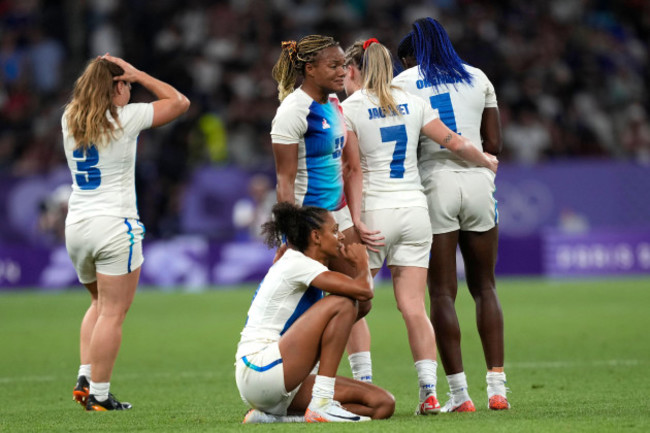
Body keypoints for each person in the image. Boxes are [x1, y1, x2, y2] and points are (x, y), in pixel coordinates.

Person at [341, 38, 498, 415]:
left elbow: (350, 168)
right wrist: (484, 160)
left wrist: (355, 219)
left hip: (374, 213)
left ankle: (362, 387)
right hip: (414, 212)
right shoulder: (413, 102)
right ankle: (429, 394)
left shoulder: (348, 108)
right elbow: (455, 142)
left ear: (351, 71)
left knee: (349, 303)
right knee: (413, 306)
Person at [393, 17, 509, 412]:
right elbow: (493, 142)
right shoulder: (478, 77)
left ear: (412, 53)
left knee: (442, 293)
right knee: (486, 288)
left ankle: (460, 396)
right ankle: (498, 388)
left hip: (433, 184)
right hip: (479, 182)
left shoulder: (404, 82)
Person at [63, 54, 190, 410]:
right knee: (113, 313)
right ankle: (100, 396)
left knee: (98, 303)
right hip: (115, 227)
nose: (131, 92)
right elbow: (179, 102)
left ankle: (85, 377)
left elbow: (86, 99)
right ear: (115, 86)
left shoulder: (67, 117)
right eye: (127, 86)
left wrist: (110, 77)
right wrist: (140, 72)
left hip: (77, 226)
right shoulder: (124, 118)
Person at [270, 35, 377, 383]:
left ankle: (353, 379)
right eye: (333, 65)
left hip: (338, 215)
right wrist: (291, 234)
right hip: (309, 222)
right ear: (309, 68)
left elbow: (347, 164)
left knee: (361, 298)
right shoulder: (292, 112)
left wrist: (354, 218)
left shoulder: (333, 102)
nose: (342, 70)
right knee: (311, 305)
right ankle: (301, 378)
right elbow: (284, 181)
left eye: (343, 64)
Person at [235, 202, 395, 423]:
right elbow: (364, 291)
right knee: (343, 302)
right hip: (260, 369)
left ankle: (276, 418)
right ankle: (322, 402)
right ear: (316, 236)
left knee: (382, 404)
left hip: (285, 377)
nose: (341, 237)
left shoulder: (310, 267)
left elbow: (364, 305)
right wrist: (362, 262)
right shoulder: (298, 263)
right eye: (335, 230)